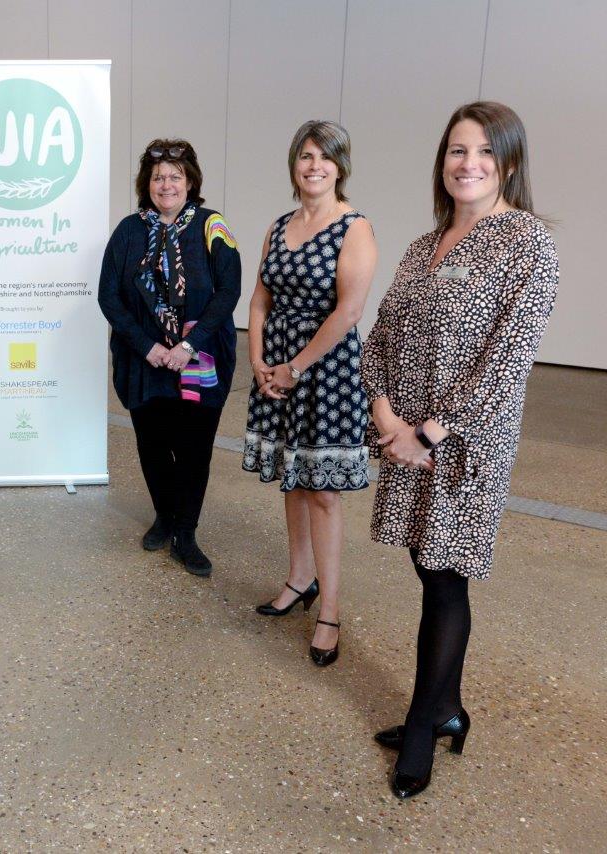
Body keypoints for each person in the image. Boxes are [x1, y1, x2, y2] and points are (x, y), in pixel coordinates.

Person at [361, 101, 558, 799]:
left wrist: (431, 433)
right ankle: (444, 705)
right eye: (455, 151)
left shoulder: (527, 243)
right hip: (406, 434)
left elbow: (508, 360)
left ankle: (426, 723)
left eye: (482, 151)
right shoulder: (425, 244)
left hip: (463, 445)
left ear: (507, 161)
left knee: (445, 574)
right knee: (427, 564)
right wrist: (385, 412)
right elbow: (380, 334)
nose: (467, 163)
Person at [243, 121, 377, 667]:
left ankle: (331, 610)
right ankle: (300, 579)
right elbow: (259, 301)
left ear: (341, 166)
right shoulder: (279, 226)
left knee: (323, 491)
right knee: (293, 480)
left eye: (325, 156)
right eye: (305, 155)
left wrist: (295, 366)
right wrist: (258, 362)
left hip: (325, 370)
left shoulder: (355, 228)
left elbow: (348, 311)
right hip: (276, 366)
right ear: (293, 164)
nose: (314, 165)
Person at [97, 139, 242, 576]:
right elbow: (109, 296)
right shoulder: (128, 230)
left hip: (199, 360)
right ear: (147, 183)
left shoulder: (212, 225)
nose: (166, 184)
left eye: (175, 176)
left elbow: (228, 290)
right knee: (153, 444)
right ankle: (164, 516)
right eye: (158, 177)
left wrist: (187, 347)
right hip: (145, 361)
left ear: (190, 180)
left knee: (195, 447)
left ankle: (187, 533)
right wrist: (150, 347)